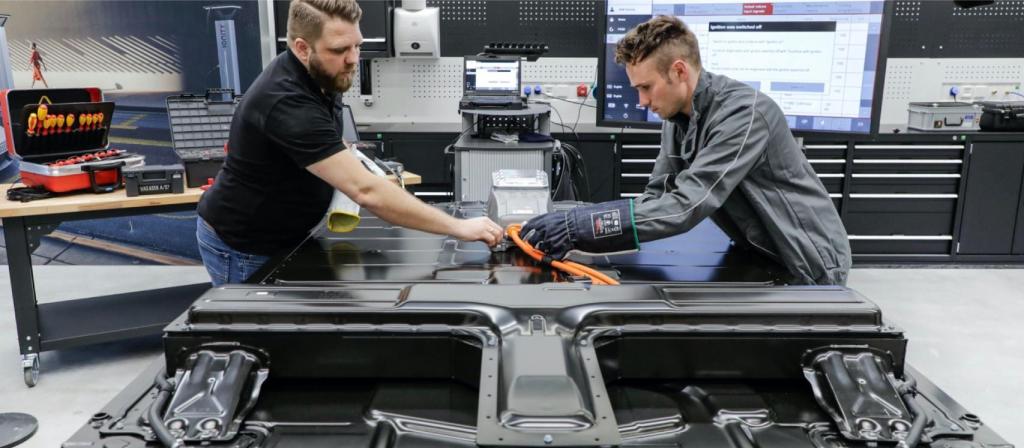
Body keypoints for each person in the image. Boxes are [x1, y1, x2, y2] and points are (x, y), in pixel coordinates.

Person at [520, 16, 851, 286]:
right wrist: (582, 230)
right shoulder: (677, 118)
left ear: (679, 71)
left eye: (646, 88)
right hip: (757, 251)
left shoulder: (744, 114)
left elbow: (684, 206)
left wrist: (580, 226)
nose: (643, 102)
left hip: (808, 260)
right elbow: (657, 196)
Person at [196, 0, 503, 285]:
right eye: (341, 49)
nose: (353, 59)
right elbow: (366, 192)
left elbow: (320, 138)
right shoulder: (285, 101)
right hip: (243, 248)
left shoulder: (323, 73)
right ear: (302, 48)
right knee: (252, 336)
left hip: (289, 233)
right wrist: (460, 227)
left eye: (357, 45)